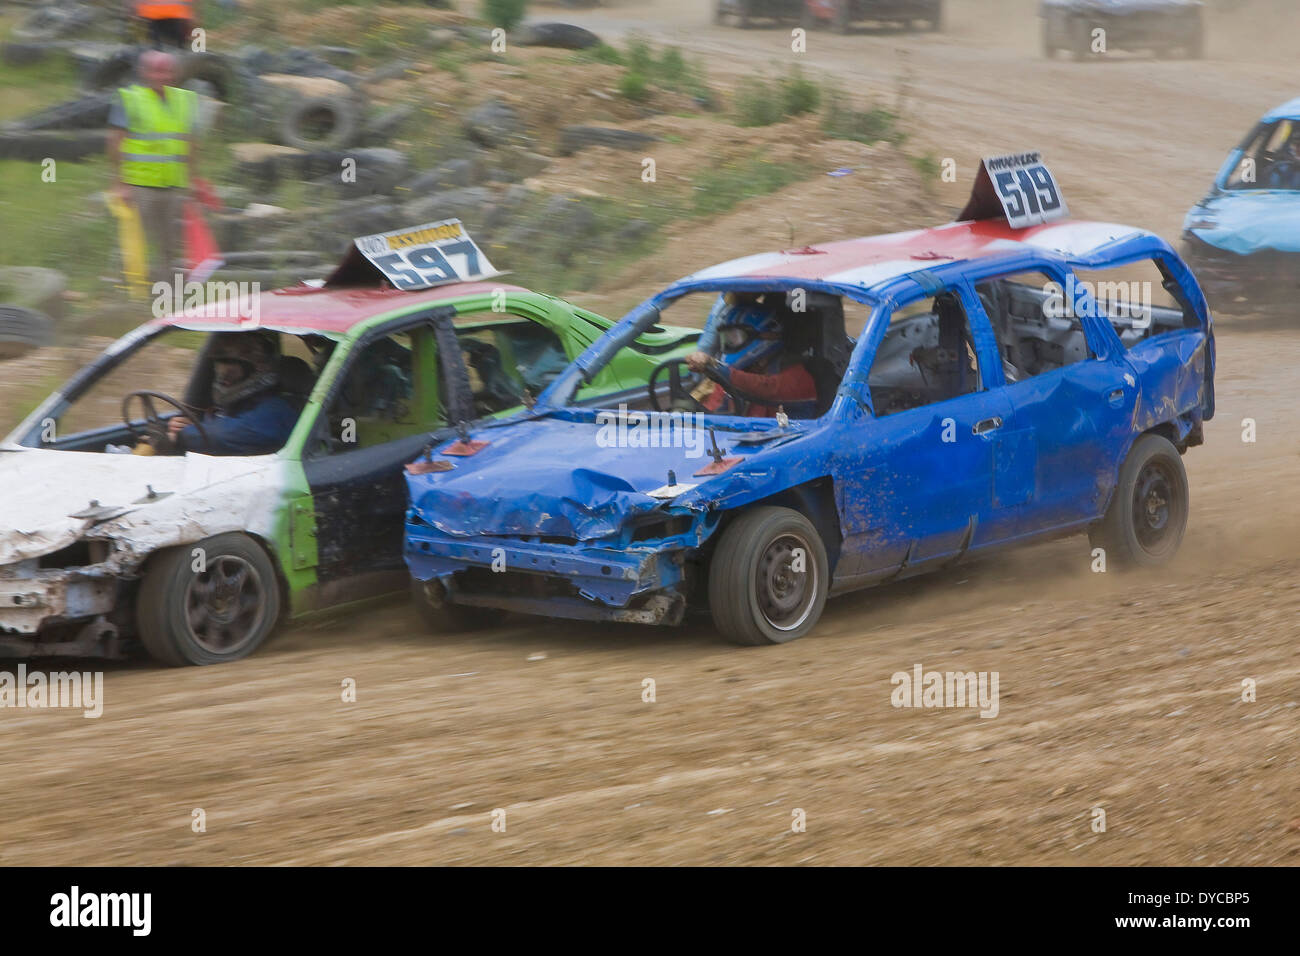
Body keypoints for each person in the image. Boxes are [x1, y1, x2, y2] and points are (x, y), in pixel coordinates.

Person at [107, 50, 200, 287]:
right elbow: (115, 142)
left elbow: (189, 142)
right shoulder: (129, 98)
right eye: (157, 70)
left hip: (173, 186)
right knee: (136, 242)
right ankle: (123, 291)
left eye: (168, 70)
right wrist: (120, 183)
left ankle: (166, 291)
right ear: (144, 72)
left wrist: (193, 179)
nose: (163, 76)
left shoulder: (185, 99)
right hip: (141, 187)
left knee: (169, 244)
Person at [685, 295, 818, 418]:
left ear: (768, 335)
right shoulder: (738, 372)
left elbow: (767, 388)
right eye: (727, 339)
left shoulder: (799, 376)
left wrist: (715, 367)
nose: (730, 343)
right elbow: (711, 409)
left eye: (735, 337)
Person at [166, 332, 298, 456]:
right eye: (220, 362)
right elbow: (220, 427)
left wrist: (183, 436)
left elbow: (230, 434)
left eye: (232, 363)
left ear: (258, 368)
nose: (222, 371)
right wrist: (182, 426)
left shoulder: (275, 409)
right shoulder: (232, 406)